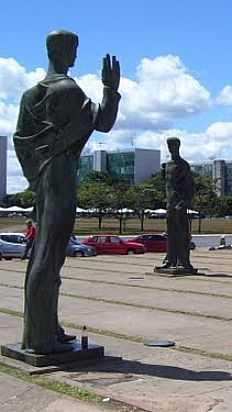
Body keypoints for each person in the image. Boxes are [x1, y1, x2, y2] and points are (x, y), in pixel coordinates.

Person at [13, 30, 120, 354]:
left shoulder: (31, 94)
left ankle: (43, 327)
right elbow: (102, 122)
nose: (75, 56)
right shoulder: (67, 89)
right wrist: (110, 89)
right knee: (50, 253)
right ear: (60, 50)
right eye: (73, 49)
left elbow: (22, 141)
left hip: (45, 177)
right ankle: (42, 337)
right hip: (60, 176)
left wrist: (38, 170)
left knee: (43, 254)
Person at [155, 137, 196, 273]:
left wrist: (185, 202)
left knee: (182, 233)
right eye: (169, 145)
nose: (171, 147)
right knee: (171, 233)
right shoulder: (166, 165)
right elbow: (167, 185)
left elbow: (190, 185)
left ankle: (184, 261)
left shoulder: (183, 165)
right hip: (170, 204)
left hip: (179, 204)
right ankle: (170, 260)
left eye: (174, 145)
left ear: (179, 146)